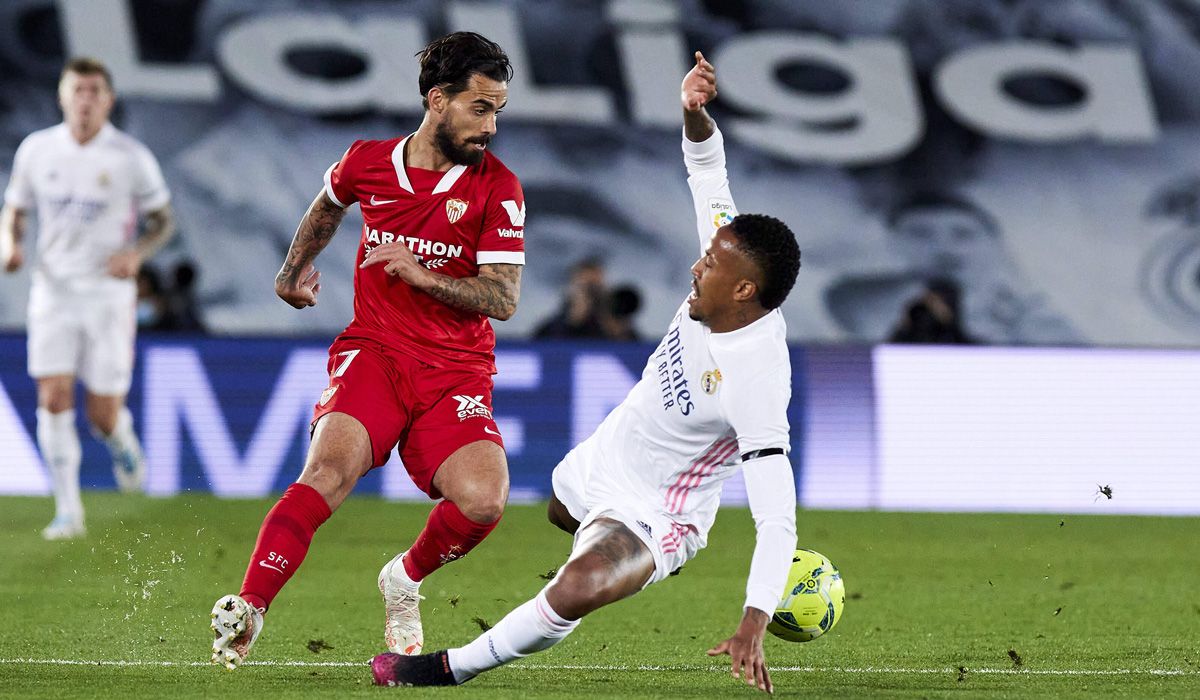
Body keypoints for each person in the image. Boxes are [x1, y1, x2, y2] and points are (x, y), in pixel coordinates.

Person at [371, 52, 800, 694]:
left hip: (660, 510)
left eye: (709, 266)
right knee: (559, 512)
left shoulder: (757, 377)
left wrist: (755, 617)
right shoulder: (731, 251)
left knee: (575, 587)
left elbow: (777, 516)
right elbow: (707, 168)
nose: (695, 267)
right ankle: (613, 558)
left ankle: (445, 668)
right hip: (605, 459)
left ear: (744, 291)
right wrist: (693, 112)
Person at [210, 32, 526, 670]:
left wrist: (421, 274)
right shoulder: (369, 162)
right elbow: (328, 206)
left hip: (455, 371)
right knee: (326, 474)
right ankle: (251, 607)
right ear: (437, 101)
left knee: (484, 502)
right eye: (480, 108)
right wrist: (291, 273)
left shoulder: (499, 189)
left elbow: (502, 298)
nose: (491, 125)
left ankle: (404, 578)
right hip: (376, 352)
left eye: (497, 110)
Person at [0, 57, 175, 540]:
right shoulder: (37, 150)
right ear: (62, 96)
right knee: (52, 395)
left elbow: (164, 220)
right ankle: (67, 511)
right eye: (77, 90)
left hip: (107, 295)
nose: (85, 99)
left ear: (108, 100)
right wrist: (10, 244)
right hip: (53, 290)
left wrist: (137, 254)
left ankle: (121, 438)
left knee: (102, 414)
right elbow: (14, 209)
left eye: (94, 91)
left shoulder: (130, 157)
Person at [532, 257, 609, 339]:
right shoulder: (550, 328)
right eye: (586, 287)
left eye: (597, 287)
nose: (591, 294)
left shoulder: (610, 323)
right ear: (570, 289)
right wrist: (575, 319)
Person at [888, 277, 974, 344]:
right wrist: (906, 324)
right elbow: (888, 348)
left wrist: (946, 320)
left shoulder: (958, 340)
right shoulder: (908, 335)